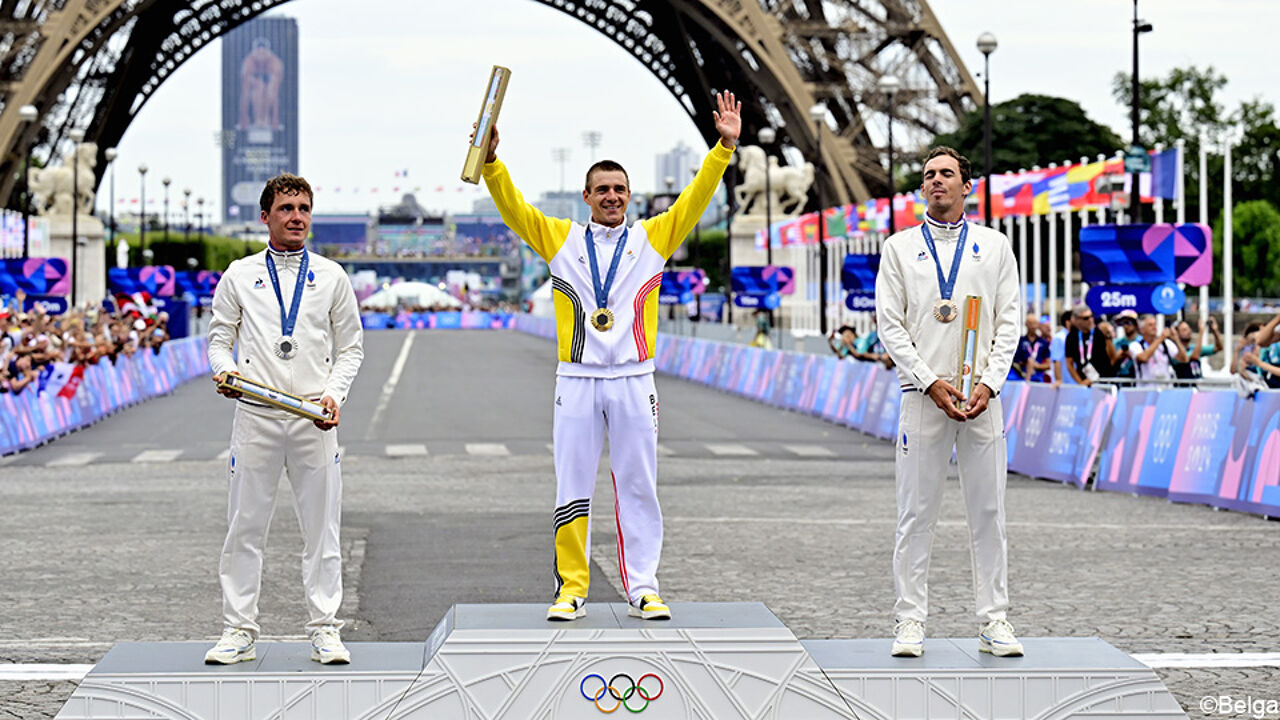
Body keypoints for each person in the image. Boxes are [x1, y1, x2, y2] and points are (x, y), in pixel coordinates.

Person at [479, 92, 740, 622]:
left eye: (620, 189)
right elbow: (515, 209)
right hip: (575, 379)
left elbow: (694, 199)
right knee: (572, 484)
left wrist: (724, 148)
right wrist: (491, 164)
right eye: (602, 190)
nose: (612, 197)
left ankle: (642, 585)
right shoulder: (559, 237)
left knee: (638, 482)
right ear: (586, 196)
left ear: (630, 195)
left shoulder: (653, 236)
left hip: (633, 379)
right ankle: (571, 587)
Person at [205, 174, 364, 665]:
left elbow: (351, 349)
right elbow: (216, 340)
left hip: (313, 420)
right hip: (256, 416)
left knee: (323, 530)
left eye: (303, 208)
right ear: (265, 217)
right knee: (245, 528)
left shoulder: (333, 276)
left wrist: (335, 396)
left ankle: (324, 628)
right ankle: (238, 629)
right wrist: (225, 371)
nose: (296, 217)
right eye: (286, 208)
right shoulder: (238, 274)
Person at [875, 146, 1022, 658]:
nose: (936, 181)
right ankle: (910, 619)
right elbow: (889, 326)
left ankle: (994, 619)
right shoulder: (897, 248)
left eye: (946, 174)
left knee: (989, 512)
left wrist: (990, 384)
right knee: (915, 514)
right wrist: (927, 381)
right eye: (928, 176)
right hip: (923, 397)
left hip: (982, 398)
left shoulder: (995, 246)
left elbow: (1010, 322)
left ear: (967, 186)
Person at [1063, 306, 1116, 387]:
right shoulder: (1071, 337)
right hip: (1085, 382)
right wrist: (1080, 383)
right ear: (1077, 320)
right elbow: (1069, 363)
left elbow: (1111, 358)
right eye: (1086, 318)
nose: (1090, 320)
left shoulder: (1099, 333)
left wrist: (1108, 336)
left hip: (1104, 382)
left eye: (1092, 316)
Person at [1130, 314, 1186, 385]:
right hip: (1145, 390)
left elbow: (1184, 359)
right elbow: (1144, 357)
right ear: (1142, 330)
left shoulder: (1165, 343)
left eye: (1155, 324)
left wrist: (1176, 340)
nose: (1154, 327)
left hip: (1165, 389)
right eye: (1150, 325)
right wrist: (1161, 338)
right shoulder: (1135, 345)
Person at [1171, 317, 1223, 381]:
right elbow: (1194, 356)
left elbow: (1218, 347)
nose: (1189, 331)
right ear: (1176, 334)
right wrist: (1201, 332)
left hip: (1197, 388)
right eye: (1184, 330)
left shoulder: (1193, 347)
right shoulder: (1174, 351)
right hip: (1184, 389)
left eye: (1189, 328)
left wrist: (1215, 331)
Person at [1049, 310, 1072, 387]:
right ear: (1067, 322)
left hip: (1075, 382)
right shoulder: (1059, 338)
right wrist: (1059, 380)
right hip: (1065, 384)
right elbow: (1056, 360)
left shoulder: (1075, 336)